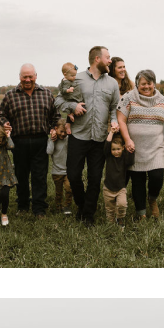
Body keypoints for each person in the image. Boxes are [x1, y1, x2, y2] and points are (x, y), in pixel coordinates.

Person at [55, 46, 120, 227]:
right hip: (78, 135)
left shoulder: (112, 84)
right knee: (73, 175)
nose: (110, 61)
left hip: (99, 138)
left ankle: (88, 215)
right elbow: (58, 100)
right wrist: (72, 107)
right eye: (108, 57)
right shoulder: (77, 79)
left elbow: (115, 108)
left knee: (95, 177)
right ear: (97, 59)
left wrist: (114, 121)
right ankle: (82, 205)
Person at [0, 63, 60, 218]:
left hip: (40, 141)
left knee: (39, 176)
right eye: (25, 76)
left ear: (35, 76)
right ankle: (23, 205)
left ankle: (39, 208)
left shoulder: (46, 94)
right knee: (21, 175)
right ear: (20, 77)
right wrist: (4, 123)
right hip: (19, 142)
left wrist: (53, 128)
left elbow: (55, 117)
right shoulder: (11, 95)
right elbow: (0, 115)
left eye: (30, 76)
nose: (28, 79)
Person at [117, 69, 164, 220]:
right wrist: (127, 140)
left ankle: (152, 198)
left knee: (157, 177)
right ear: (137, 84)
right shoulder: (128, 98)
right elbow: (121, 120)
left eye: (149, 83)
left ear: (154, 84)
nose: (146, 87)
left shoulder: (163, 101)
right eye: (143, 84)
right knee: (138, 181)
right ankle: (141, 213)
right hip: (134, 148)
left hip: (155, 148)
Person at [103, 128, 135, 228]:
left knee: (122, 204)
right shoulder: (109, 156)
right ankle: (111, 223)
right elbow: (107, 145)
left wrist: (131, 149)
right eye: (113, 149)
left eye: (118, 149)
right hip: (108, 188)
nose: (116, 152)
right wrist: (111, 132)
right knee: (110, 208)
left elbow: (131, 161)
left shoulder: (124, 158)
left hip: (120, 188)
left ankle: (120, 218)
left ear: (122, 148)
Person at [47, 119, 73, 215]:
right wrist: (52, 139)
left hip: (67, 171)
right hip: (56, 172)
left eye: (65, 132)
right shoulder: (52, 140)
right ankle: (58, 207)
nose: (63, 134)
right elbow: (49, 152)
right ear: (55, 129)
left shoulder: (68, 139)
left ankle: (67, 206)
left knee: (69, 188)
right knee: (59, 192)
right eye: (61, 131)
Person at [57, 63, 83, 134]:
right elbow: (63, 90)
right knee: (73, 107)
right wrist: (68, 90)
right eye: (72, 76)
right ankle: (68, 123)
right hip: (70, 97)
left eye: (75, 75)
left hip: (73, 97)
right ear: (65, 74)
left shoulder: (68, 80)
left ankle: (70, 116)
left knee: (73, 110)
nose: (74, 77)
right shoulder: (65, 82)